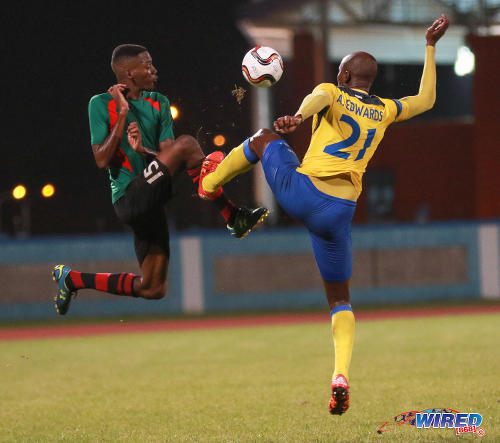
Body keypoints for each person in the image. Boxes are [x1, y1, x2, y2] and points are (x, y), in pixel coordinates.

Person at [198, 15, 449, 414]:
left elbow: (317, 101)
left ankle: (209, 184)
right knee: (340, 301)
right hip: (340, 213)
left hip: (306, 192)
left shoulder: (331, 90)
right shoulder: (384, 109)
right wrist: (430, 46)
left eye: (340, 68)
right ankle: (340, 375)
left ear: (346, 73)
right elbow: (427, 100)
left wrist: (297, 117)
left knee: (264, 139)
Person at [52, 44, 268, 315]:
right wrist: (121, 115)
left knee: (153, 288)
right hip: (129, 198)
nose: (154, 69)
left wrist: (144, 151)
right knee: (188, 143)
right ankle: (232, 215)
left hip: (151, 199)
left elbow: (167, 154)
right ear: (129, 73)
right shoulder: (100, 104)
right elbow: (101, 160)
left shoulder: (159, 102)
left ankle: (72, 280)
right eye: (147, 65)